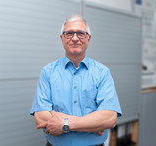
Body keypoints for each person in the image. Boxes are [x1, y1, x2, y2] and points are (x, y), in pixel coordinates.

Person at [30, 14, 122, 146]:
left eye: (80, 33)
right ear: (62, 38)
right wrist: (93, 125)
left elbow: (109, 118)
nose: (74, 38)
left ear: (88, 38)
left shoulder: (103, 73)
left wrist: (65, 123)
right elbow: (40, 118)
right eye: (69, 33)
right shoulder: (47, 72)